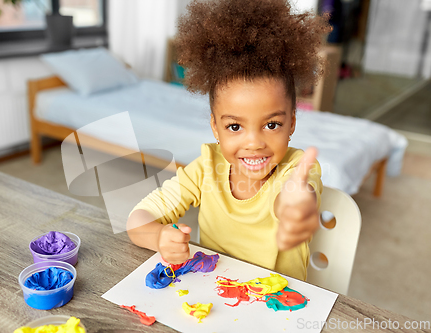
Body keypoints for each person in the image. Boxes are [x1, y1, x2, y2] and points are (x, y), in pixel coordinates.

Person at [127, 0, 331, 281]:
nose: (254, 142)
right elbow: (137, 220)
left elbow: (295, 199)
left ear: (292, 122)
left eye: (272, 124)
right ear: (215, 126)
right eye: (235, 126)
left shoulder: (298, 170)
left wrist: (297, 207)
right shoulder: (206, 168)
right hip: (213, 300)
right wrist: (159, 237)